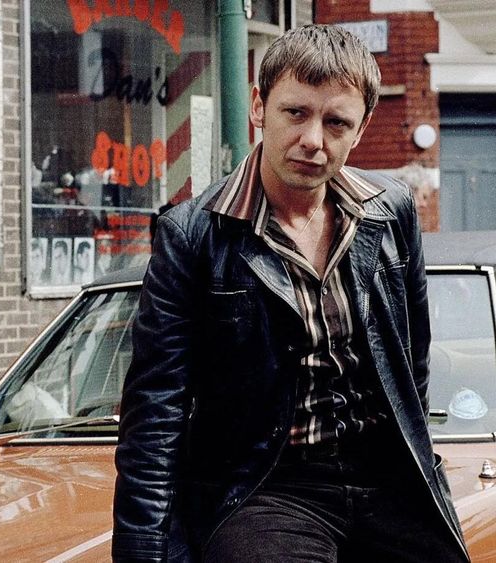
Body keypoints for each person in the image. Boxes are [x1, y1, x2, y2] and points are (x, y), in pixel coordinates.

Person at [113, 25, 469, 563]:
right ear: (259, 107)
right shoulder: (195, 234)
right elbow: (155, 413)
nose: (313, 140)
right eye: (296, 113)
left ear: (362, 128)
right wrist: (142, 552)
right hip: (267, 485)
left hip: (388, 476)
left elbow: (410, 363)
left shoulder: (391, 210)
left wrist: (422, 465)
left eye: (336, 122)